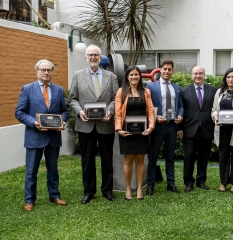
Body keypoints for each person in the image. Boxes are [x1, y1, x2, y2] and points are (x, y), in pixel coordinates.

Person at [15, 59, 68, 211]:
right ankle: (29, 200)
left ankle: (55, 195)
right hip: (34, 136)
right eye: (43, 70)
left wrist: (62, 121)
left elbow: (64, 111)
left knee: (53, 169)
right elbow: (19, 112)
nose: (46, 73)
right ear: (37, 71)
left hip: (53, 137)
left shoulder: (58, 90)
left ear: (52, 72)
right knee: (31, 170)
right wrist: (34, 123)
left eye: (49, 70)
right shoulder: (27, 89)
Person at [69, 44, 119, 204]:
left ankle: (107, 190)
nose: (93, 58)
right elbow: (72, 99)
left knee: (107, 159)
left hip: (105, 125)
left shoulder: (111, 77)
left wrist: (110, 112)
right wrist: (79, 111)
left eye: (96, 55)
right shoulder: (77, 75)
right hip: (85, 125)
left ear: (100, 58)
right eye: (90, 55)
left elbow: (115, 99)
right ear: (86, 57)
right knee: (87, 160)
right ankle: (89, 191)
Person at [114, 66, 155, 200]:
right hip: (127, 131)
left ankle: (139, 189)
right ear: (127, 77)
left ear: (140, 76)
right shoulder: (121, 92)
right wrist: (119, 129)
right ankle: (127, 189)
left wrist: (151, 127)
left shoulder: (146, 91)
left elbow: (150, 110)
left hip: (142, 132)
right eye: (131, 75)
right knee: (128, 160)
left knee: (140, 160)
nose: (134, 77)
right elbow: (118, 112)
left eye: (136, 75)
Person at [146, 60, 184, 195]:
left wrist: (180, 115)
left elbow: (180, 105)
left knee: (170, 157)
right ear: (160, 70)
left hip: (172, 126)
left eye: (169, 69)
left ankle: (171, 184)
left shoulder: (177, 87)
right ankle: (150, 185)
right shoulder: (151, 86)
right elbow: (148, 106)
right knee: (153, 157)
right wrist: (155, 117)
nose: (167, 71)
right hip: (157, 127)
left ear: (172, 71)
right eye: (165, 69)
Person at [178, 66, 217, 192]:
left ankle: (201, 181)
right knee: (189, 157)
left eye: (200, 73)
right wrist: (179, 128)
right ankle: (188, 183)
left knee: (204, 157)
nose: (198, 76)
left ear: (204, 75)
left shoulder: (213, 90)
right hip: (189, 129)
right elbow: (180, 110)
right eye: (195, 74)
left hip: (206, 129)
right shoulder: (184, 91)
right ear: (191, 75)